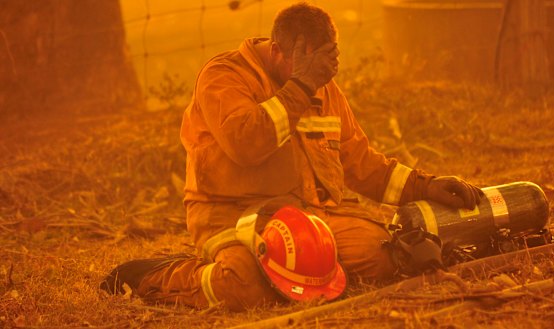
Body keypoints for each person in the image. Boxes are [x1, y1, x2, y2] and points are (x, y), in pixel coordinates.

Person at [100, 2, 482, 312]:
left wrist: (425, 185)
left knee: (383, 257)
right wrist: (300, 85)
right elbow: (246, 144)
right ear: (277, 49)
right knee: (245, 288)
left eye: (325, 64)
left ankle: (297, 268)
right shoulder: (224, 76)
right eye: (306, 63)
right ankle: (160, 274)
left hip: (310, 216)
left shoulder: (321, 82)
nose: (318, 74)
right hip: (234, 215)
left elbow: (360, 160)